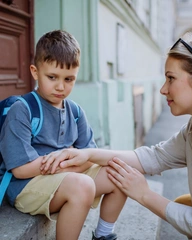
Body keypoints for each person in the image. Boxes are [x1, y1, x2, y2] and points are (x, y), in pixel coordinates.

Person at [41, 34, 192, 240]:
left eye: (170, 78)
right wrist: (87, 154)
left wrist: (144, 194)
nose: (163, 89)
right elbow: (153, 157)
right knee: (182, 204)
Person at [0, 30, 127, 240]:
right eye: (52, 77)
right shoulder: (22, 109)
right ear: (35, 71)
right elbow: (21, 169)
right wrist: (69, 160)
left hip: (64, 178)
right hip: (25, 185)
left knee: (120, 172)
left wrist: (72, 161)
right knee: (83, 185)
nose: (61, 86)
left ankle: (103, 235)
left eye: (69, 79)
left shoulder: (75, 112)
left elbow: (90, 154)